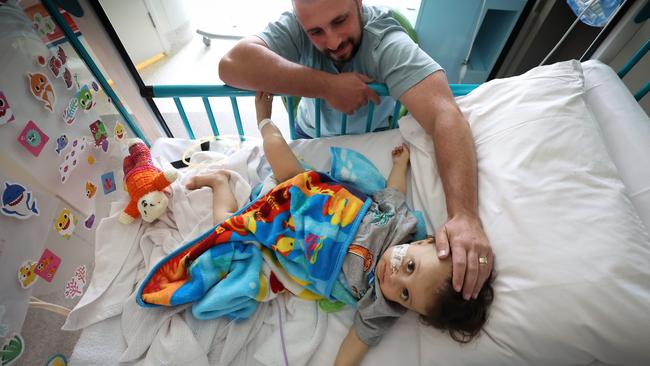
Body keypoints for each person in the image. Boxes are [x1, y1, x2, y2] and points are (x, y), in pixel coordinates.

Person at [185, 92, 494, 366]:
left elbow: (354, 345)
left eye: (405, 294)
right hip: (308, 197)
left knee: (226, 226)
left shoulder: (382, 308)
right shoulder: (402, 223)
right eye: (410, 266)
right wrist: (400, 167)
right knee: (284, 160)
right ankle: (265, 120)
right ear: (424, 242)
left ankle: (219, 182)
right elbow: (393, 194)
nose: (395, 278)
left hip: (288, 237)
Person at [218, 0, 493, 303]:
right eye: (316, 32)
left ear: (359, 4)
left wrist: (464, 215)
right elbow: (231, 65)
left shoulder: (385, 41)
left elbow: (446, 115)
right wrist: (328, 87)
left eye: (340, 21)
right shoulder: (295, 29)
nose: (333, 41)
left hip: (373, 132)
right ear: (300, 22)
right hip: (310, 131)